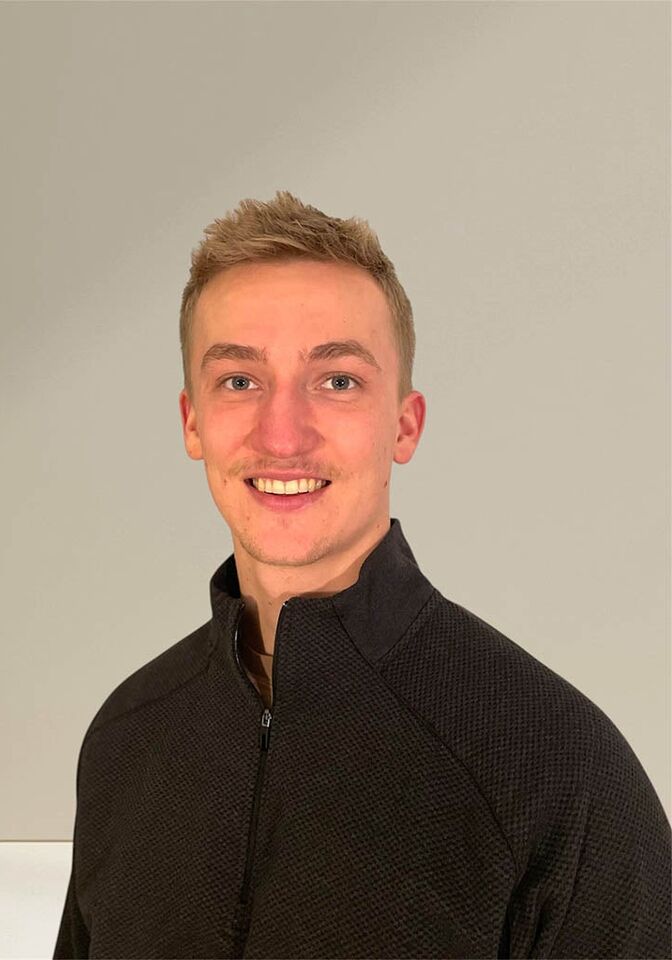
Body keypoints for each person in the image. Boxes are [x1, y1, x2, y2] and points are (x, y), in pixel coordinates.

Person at [54, 191, 671, 959]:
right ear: (192, 422)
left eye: (337, 380)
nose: (283, 435)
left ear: (404, 425)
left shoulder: (555, 767)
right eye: (239, 381)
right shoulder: (126, 741)